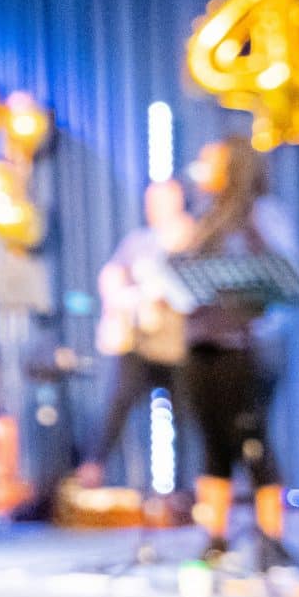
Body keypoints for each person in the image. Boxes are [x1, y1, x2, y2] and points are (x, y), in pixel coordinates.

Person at [177, 135, 299, 572]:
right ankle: (215, 537)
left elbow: (282, 276)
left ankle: (272, 539)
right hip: (201, 343)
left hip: (246, 347)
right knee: (213, 443)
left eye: (210, 160)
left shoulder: (262, 215)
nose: (199, 168)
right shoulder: (204, 218)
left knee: (253, 439)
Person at [77, 177, 195, 491]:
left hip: (179, 343)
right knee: (118, 400)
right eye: (150, 202)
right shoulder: (138, 241)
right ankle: (92, 468)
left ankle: (181, 491)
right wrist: (121, 302)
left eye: (162, 201)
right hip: (141, 342)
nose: (154, 208)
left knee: (182, 416)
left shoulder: (192, 236)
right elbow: (113, 276)